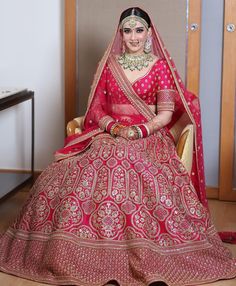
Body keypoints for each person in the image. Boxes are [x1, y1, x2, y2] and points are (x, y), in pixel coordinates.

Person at [0, 7, 235, 286]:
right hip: (108, 133)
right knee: (62, 174)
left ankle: (141, 256)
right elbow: (97, 109)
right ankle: (82, 255)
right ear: (120, 34)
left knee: (127, 161)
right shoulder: (109, 65)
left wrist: (138, 130)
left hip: (148, 136)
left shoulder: (160, 66)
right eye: (127, 30)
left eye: (139, 30)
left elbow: (165, 114)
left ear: (148, 33)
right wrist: (115, 128)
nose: (133, 37)